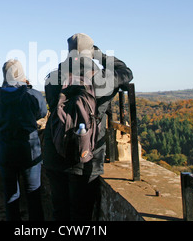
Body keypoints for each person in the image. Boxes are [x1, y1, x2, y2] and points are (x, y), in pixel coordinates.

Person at [43, 33, 133, 221]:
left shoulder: (52, 77)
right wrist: (100, 56)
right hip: (86, 156)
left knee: (60, 212)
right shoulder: (102, 79)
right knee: (81, 215)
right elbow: (126, 72)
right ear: (90, 53)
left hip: (55, 151)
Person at [0, 59, 47, 221]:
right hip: (29, 151)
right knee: (33, 194)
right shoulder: (32, 95)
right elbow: (42, 113)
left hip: (6, 150)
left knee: (10, 195)